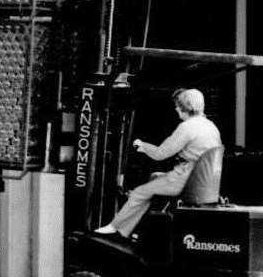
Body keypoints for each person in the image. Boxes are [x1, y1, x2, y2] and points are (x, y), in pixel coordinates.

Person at [95, 87, 222, 238]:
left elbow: (160, 154)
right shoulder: (211, 126)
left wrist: (141, 146)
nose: (175, 108)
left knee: (139, 193)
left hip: (186, 179)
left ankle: (116, 228)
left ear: (184, 107)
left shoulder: (187, 127)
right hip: (206, 183)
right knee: (155, 177)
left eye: (178, 105)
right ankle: (143, 230)